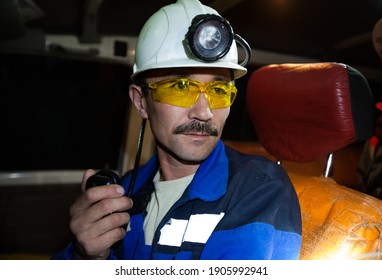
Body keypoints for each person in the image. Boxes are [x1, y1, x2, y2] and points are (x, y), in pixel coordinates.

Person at [53, 0, 302, 260]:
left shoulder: (260, 189)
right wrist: (86, 257)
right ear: (141, 102)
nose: (204, 113)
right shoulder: (127, 189)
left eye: (218, 91)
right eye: (181, 88)